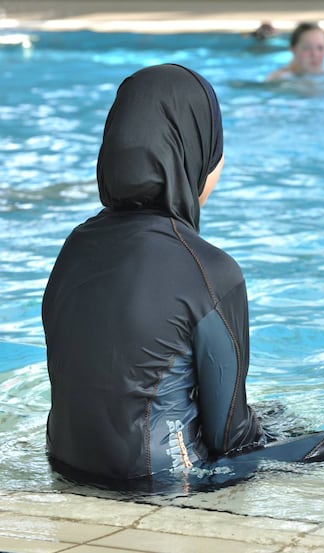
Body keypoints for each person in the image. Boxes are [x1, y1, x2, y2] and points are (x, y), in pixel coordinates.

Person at [42, 63, 266, 484]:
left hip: (64, 462)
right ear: (194, 150)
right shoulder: (212, 270)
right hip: (160, 479)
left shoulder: (73, 247)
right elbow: (230, 437)